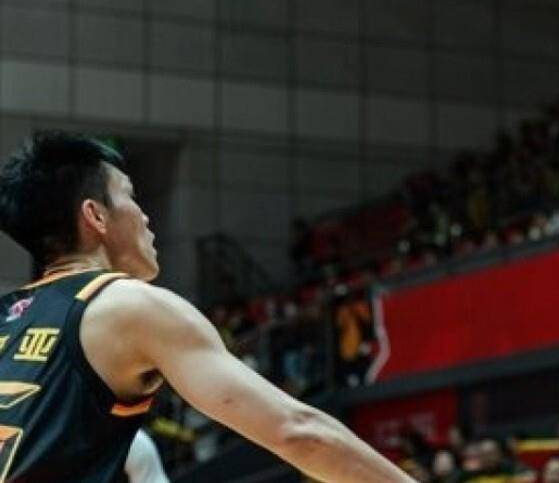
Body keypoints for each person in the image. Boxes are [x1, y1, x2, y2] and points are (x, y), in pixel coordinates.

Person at [0, 132, 412, 482]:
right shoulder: (129, 306)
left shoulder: (7, 314)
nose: (145, 217)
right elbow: (299, 432)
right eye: (130, 197)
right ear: (96, 216)